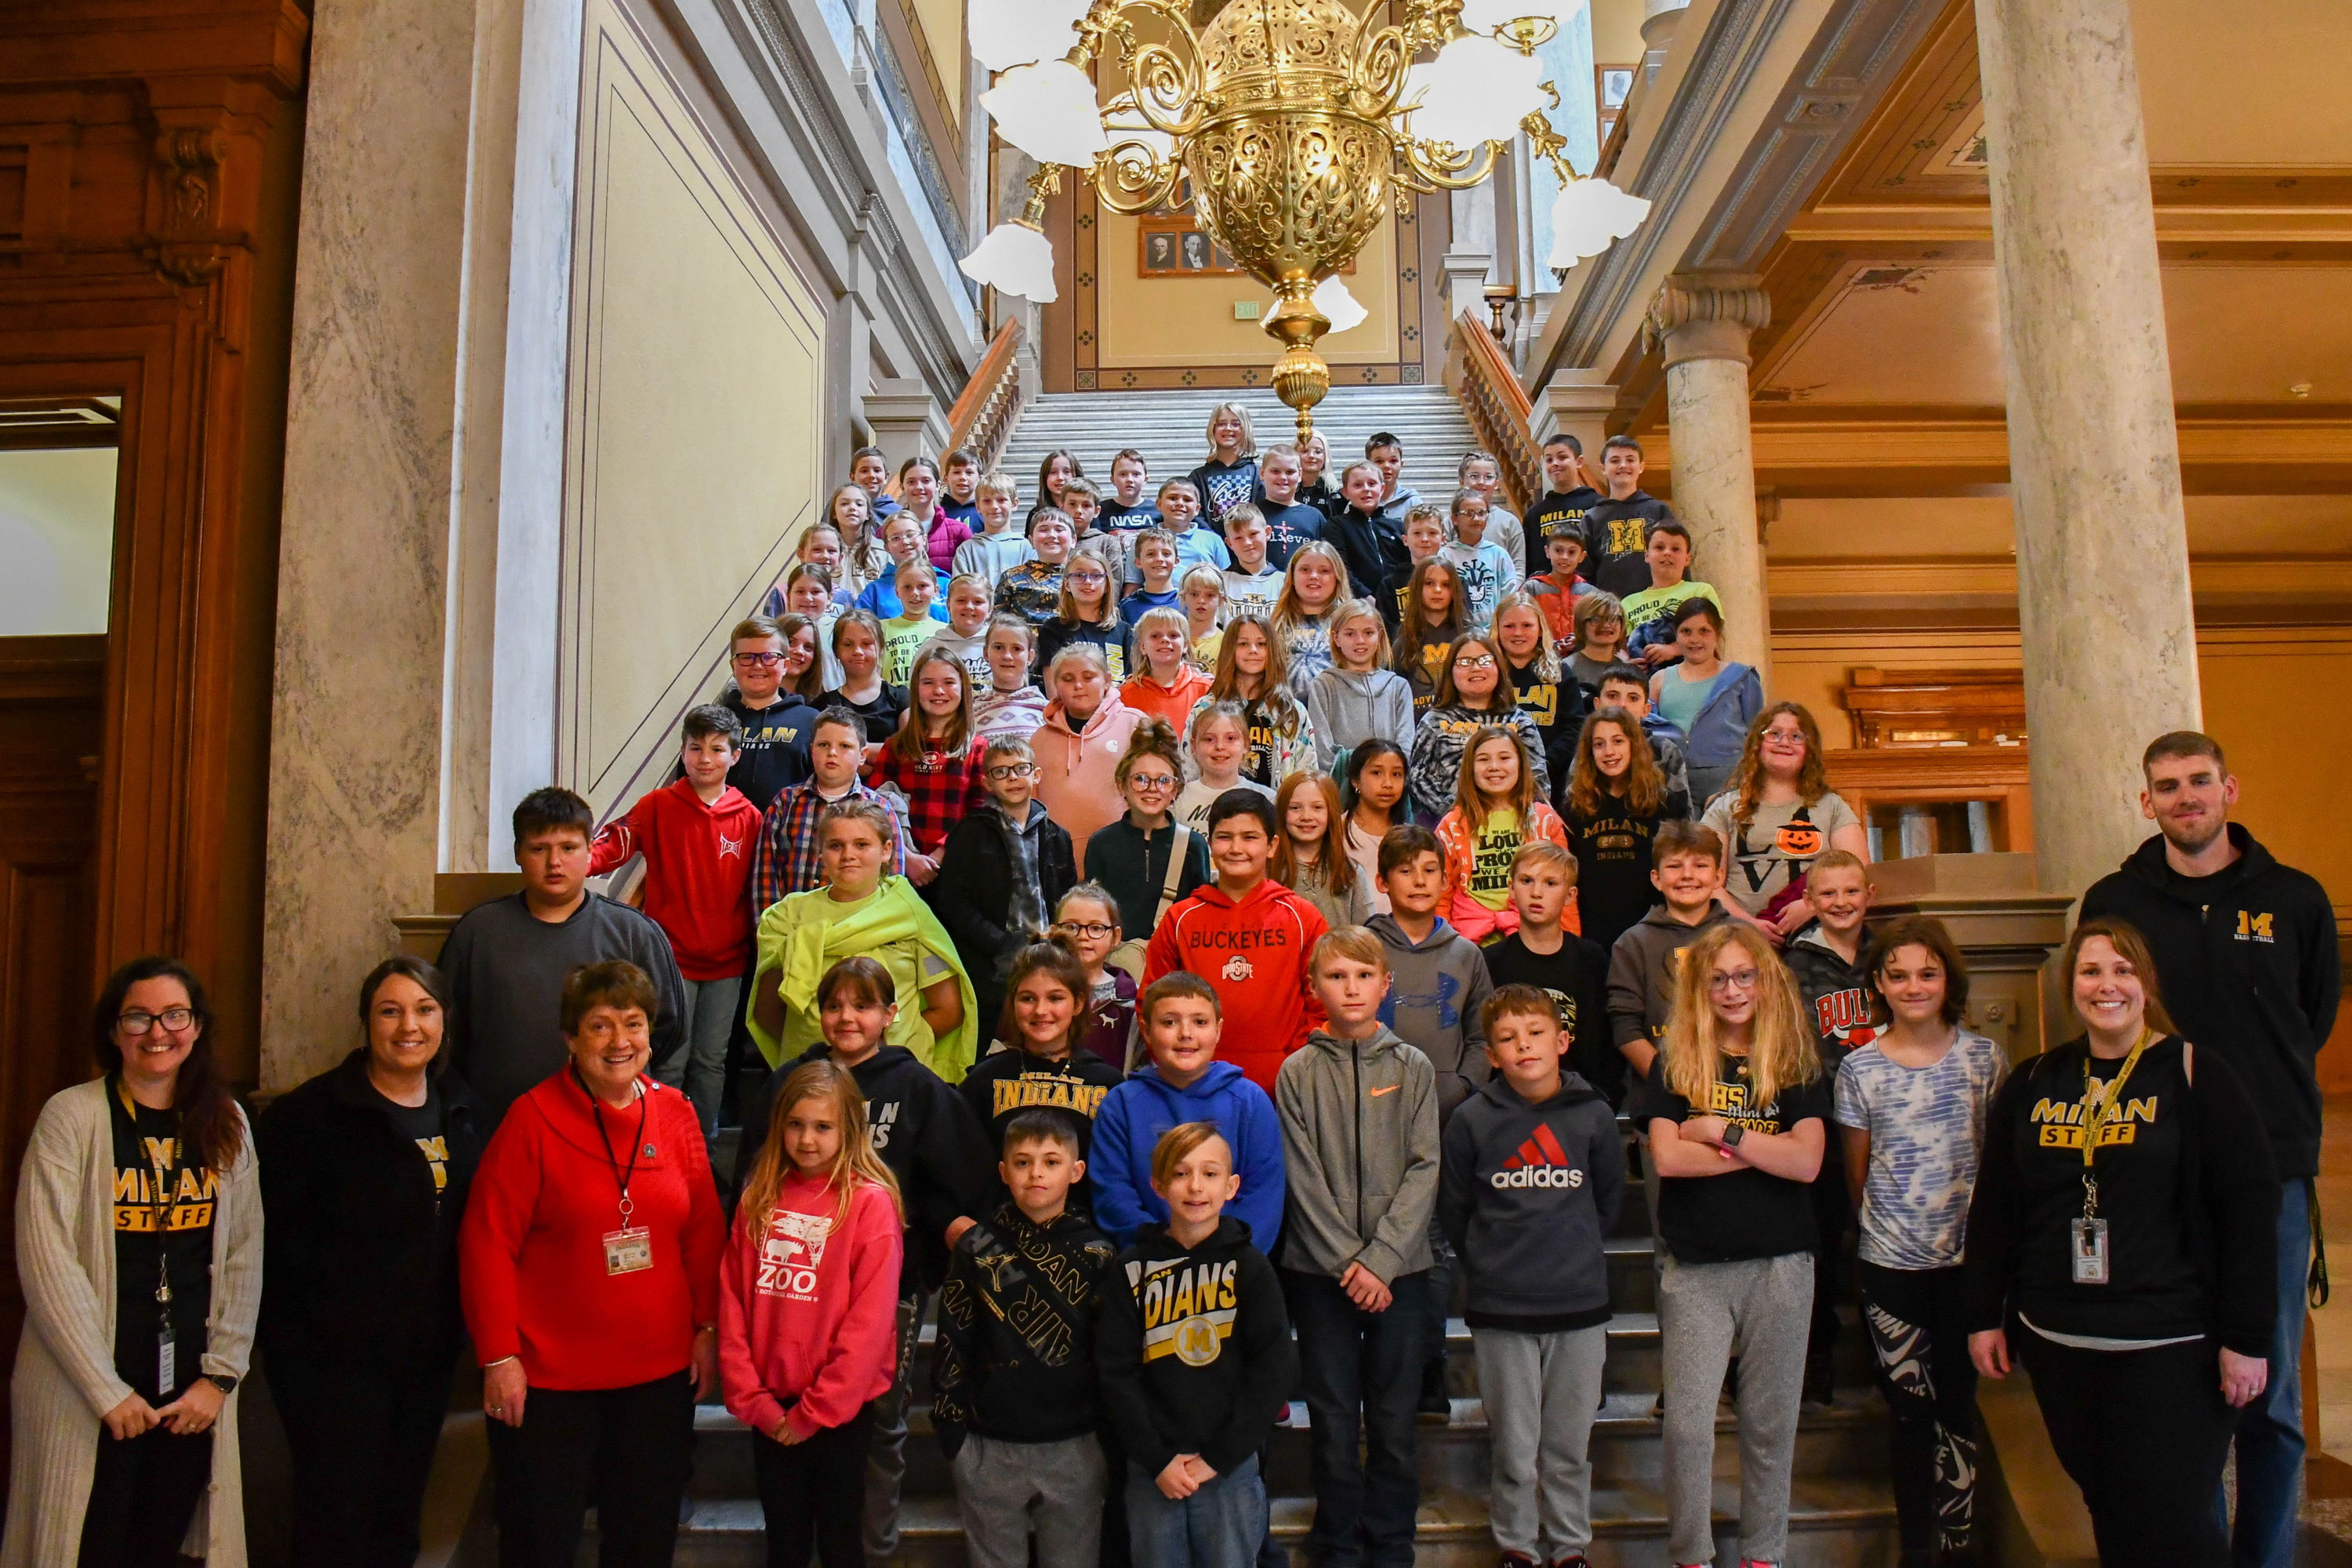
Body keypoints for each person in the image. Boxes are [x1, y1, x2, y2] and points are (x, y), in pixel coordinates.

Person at [2078, 731, 2339, 1568]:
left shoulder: (2296, 896)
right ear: (2144, 800)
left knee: (2269, 1395)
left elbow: (2314, 1015)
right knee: (2175, 1395)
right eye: (2166, 785)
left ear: (2229, 787)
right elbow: (2105, 1012)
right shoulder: (2116, 898)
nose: (2185, 796)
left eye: (2199, 780)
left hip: (2271, 1172)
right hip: (2151, 1171)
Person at [1965, 919, 2280, 1568]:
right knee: (2109, 1508)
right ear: (2068, 985)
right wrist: (1982, 1315)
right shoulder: (2033, 1081)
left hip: (2171, 1346)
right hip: (2061, 1343)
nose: (2106, 985)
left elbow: (2249, 1217)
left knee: (2174, 1522)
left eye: (2122, 971)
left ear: (2146, 983)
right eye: (2090, 972)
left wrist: (2247, 1340)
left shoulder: (2198, 1075)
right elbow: (1995, 1208)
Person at [461, 960, 725, 1568]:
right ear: (570, 1038)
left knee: (644, 1539)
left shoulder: (677, 1112)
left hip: (657, 1379)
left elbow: (704, 1232)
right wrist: (499, 1356)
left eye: (633, 1024)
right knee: (539, 1543)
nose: (619, 1042)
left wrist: (708, 1328)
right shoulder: (531, 1119)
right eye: (600, 1026)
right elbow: (487, 1243)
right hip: (549, 1382)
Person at [738, 956, 995, 1564]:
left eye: (863, 1005)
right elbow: (753, 1175)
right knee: (795, 1409)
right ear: (818, 1014)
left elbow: (958, 1183)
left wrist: (928, 1253)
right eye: (835, 1006)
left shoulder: (919, 1088)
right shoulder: (789, 1084)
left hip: (887, 1289)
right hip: (793, 1286)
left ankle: (869, 1548)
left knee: (878, 1422)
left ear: (890, 1014)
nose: (847, 1017)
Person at [5, 958, 260, 1568]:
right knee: (83, 1548)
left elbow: (244, 1256)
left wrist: (220, 1378)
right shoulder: (71, 1117)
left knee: (159, 1549)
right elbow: (47, 1262)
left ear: (196, 1027)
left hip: (187, 1397)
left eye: (175, 1015)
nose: (157, 1032)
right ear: (114, 1031)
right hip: (87, 1392)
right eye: (139, 1017)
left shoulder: (225, 1121)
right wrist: (106, 1391)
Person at [258, 956, 485, 1568]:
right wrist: (294, 1359)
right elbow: (271, 1254)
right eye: (390, 1011)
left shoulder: (464, 1110)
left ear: (444, 1021)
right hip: (332, 1370)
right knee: (334, 1527)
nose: (408, 1026)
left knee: (397, 1519)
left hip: (427, 1359)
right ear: (366, 1023)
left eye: (424, 1010)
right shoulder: (307, 1119)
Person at [1642, 923, 1831, 1568]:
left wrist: (1721, 1133)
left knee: (1769, 1427)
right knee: (1688, 1427)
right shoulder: (1676, 1059)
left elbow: (1808, 1164)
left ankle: (1763, 1554)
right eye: (1718, 978)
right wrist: (1763, 1152)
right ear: (1700, 986)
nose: (1732, 989)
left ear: (1766, 980)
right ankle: (1691, 1555)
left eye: (1744, 975)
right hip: (1696, 1267)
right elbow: (1668, 1158)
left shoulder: (1796, 1058)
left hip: (1781, 1264)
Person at [1832, 916, 2004, 1568]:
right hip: (1889, 1268)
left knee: (1958, 1406)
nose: (1913, 986)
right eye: (1898, 974)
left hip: (1966, 1271)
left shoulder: (1984, 1060)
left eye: (1927, 973)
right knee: (1909, 1412)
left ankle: (1958, 1543)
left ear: (1948, 979)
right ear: (1878, 982)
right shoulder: (1859, 1069)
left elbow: (1997, 1171)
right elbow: (1858, 1173)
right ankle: (1915, 1549)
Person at [1439, 983, 1625, 1568]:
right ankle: (1517, 1545)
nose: (1524, 1047)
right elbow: (1455, 1207)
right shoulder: (1472, 1120)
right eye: (1508, 1039)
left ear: (1562, 1040)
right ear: (1491, 1054)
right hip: (1502, 1310)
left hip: (1577, 1305)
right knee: (1516, 1448)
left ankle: (1570, 1546)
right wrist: (1490, 1264)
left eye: (1536, 1033)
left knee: (1568, 1445)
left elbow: (1608, 1201)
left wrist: (1571, 1251)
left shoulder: (1592, 1114)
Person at [1276, 927, 1441, 1568]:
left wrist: (1382, 1260)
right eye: (1336, 977)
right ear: (1315, 987)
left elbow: (1425, 1169)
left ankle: (1391, 1543)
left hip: (1402, 1273)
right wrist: (1350, 1262)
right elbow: (1301, 1173)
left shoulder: (1413, 1067)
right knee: (1335, 1420)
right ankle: (1338, 1542)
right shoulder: (1298, 1071)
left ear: (1384, 984)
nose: (1351, 988)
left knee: (1395, 1422)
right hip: (1320, 1275)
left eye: (1363, 976)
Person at [720, 1058, 904, 1568]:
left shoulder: (870, 1204)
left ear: (848, 1128)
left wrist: (815, 1412)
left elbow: (869, 1327)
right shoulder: (759, 1194)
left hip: (837, 1414)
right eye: (796, 1125)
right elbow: (733, 1300)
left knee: (841, 1538)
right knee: (784, 1539)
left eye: (823, 1127)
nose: (807, 1139)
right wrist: (752, 1400)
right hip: (769, 1406)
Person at [1097, 1123, 1298, 1568]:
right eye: (1181, 1173)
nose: (1195, 1186)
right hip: (1154, 1469)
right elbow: (1116, 1373)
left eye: (1209, 1174)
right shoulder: (1131, 1269)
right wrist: (1156, 1457)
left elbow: (1273, 1368)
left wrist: (1218, 1458)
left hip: (1228, 1468)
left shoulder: (1251, 1267)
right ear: (1157, 1184)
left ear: (1231, 1187)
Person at [934, 1109, 1120, 1568]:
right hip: (988, 1444)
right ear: (1003, 1172)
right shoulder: (977, 1247)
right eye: (1022, 1162)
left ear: (1077, 1172)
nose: (1036, 1172)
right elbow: (953, 1335)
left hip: (1075, 1445)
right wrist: (952, 1432)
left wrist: (1105, 1437)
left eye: (1051, 1161)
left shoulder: (1098, 1253)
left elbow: (1111, 1354)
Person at [441, 786, 688, 1126]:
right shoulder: (478, 932)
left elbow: (667, 1028)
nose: (553, 862)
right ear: (518, 852)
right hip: (498, 1124)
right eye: (539, 849)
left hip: (607, 1124)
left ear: (590, 851)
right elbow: (447, 1031)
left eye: (568, 848)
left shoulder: (634, 933)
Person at [589, 703, 764, 1143]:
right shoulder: (657, 806)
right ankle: (659, 1142)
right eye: (696, 748)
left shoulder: (751, 818)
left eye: (717, 749)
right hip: (670, 960)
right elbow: (612, 845)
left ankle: (701, 1148)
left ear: (734, 756)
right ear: (683, 753)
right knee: (668, 1057)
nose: (706, 758)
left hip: (728, 961)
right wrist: (575, 862)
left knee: (711, 1060)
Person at [748, 797, 975, 1078]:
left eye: (862, 844)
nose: (848, 855)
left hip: (893, 1074)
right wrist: (815, 1045)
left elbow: (948, 1009)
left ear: (886, 850)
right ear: (820, 853)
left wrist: (895, 1048)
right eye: (835, 845)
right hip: (812, 1074)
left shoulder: (911, 914)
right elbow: (767, 1011)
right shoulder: (786, 918)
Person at [1142, 789, 1330, 1091]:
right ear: (1210, 844)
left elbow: (1323, 1001)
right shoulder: (1180, 920)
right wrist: (1180, 1064)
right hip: (1193, 1083)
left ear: (1272, 846)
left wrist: (1294, 1066)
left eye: (1250, 837)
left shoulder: (1302, 917)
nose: (1236, 848)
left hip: (1285, 1085)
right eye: (1225, 837)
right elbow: (1151, 1003)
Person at [1091, 974, 1287, 1247]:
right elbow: (1113, 1195)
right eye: (1169, 1022)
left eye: (1200, 1022)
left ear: (1218, 1030)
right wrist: (1160, 1255)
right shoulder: (1120, 1105)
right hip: (1149, 1266)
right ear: (1146, 1031)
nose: (1186, 1034)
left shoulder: (1250, 1101)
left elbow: (1264, 1196)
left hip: (1232, 1267)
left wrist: (1227, 1255)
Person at [1780, 847, 1876, 1400]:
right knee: (1816, 1247)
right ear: (1810, 901)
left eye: (1850, 891)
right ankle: (1814, 1360)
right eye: (1829, 893)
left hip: (1884, 1128)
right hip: (1821, 1124)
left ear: (1869, 896)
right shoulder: (1795, 966)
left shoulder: (1888, 957)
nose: (1841, 902)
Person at [935, 736, 1080, 1036]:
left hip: (1048, 955)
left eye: (1020, 769)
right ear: (988, 782)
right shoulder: (970, 833)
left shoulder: (1057, 836)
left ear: (1036, 775)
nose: (1012, 777)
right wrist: (1000, 943)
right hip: (989, 964)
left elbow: (1067, 899)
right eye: (1001, 772)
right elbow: (952, 902)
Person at [1700, 700, 1866, 935]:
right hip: (1738, 936)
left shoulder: (1832, 807)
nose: (1784, 742)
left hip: (1816, 934)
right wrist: (1747, 924)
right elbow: (1707, 881)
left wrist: (1812, 906)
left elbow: (1857, 875)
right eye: (1774, 734)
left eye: (1797, 736)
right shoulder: (1725, 807)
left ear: (1810, 749)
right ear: (1757, 743)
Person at [1605, 819, 1732, 1092]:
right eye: (1675, 866)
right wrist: (1670, 1087)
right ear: (1656, 879)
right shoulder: (1632, 943)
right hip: (1661, 1094)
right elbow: (1626, 1028)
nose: (1687, 875)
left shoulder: (1743, 938)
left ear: (1719, 877)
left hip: (1738, 1092)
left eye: (1700, 866)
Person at [1482, 840, 1614, 1100]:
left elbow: (1605, 1041)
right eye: (1527, 881)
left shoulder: (1591, 959)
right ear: (1511, 888)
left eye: (1550, 883)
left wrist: (1601, 1097)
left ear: (1570, 896)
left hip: (1581, 1100)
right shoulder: (1490, 961)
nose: (1536, 893)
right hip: (1509, 1103)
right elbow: (1483, 1039)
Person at [750, 707, 913, 909]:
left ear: (862, 755)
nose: (833, 753)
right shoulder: (785, 803)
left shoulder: (880, 809)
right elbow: (765, 876)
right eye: (823, 745)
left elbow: (893, 882)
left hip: (858, 930)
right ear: (812, 750)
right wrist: (770, 931)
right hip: (793, 929)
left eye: (845, 746)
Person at [1087, 720, 1211, 967]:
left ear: (1176, 788)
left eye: (1164, 781)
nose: (1152, 789)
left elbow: (1200, 918)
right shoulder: (1101, 843)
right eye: (1140, 779)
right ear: (1123, 785)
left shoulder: (1193, 845)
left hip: (1175, 966)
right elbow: (1093, 916)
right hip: (1115, 969)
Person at [1434, 723, 1570, 945]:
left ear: (1521, 765)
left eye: (1504, 758)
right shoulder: (1451, 825)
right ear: (1470, 768)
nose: (1494, 766)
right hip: (1469, 945)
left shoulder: (1545, 820)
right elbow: (1441, 895)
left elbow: (1564, 892)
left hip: (1534, 941)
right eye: (1483, 759)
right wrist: (1442, 948)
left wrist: (1568, 947)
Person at [1562, 706, 1683, 953]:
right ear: (1589, 752)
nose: (1609, 752)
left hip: (1651, 929)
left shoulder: (1665, 803)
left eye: (1618, 741)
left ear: (1633, 745)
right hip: (1592, 932)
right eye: (1599, 744)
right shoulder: (1574, 807)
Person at [1407, 633, 1551, 825]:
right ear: (1451, 671)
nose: (1475, 668)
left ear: (1498, 667)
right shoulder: (1433, 722)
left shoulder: (1520, 721)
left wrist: (1508, 815)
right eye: (1464, 662)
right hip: (1450, 824)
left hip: (1514, 824)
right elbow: (1418, 777)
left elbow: (1539, 780)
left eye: (1485, 660)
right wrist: (1457, 814)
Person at [1033, 642, 1149, 874]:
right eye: (1067, 679)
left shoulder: (1135, 725)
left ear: (1107, 680)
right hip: (1062, 864)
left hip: (1127, 857)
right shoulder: (1039, 740)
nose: (1078, 686)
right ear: (1055, 685)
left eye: (1088, 677)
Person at [865, 649, 982, 874]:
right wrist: (907, 858)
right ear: (916, 689)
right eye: (928, 683)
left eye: (949, 682)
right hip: (902, 868)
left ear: (964, 689)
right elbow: (874, 808)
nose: (939, 691)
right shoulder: (895, 747)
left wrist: (940, 853)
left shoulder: (978, 749)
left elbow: (979, 814)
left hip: (959, 867)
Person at [1655, 599, 1762, 811]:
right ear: (1676, 635)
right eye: (1686, 631)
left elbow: (1758, 736)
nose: (1695, 639)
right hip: (1673, 781)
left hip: (1729, 780)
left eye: (1704, 631)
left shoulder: (1741, 677)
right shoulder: (1659, 680)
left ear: (1717, 634)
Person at [1189, 613, 1313, 791]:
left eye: (1262, 644)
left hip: (1275, 811)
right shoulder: (1205, 708)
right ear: (1230, 649)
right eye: (1243, 644)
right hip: (1215, 811)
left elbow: (1307, 772)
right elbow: (1187, 769)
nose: (1253, 650)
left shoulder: (1291, 711)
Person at [722, 615, 822, 811]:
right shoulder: (714, 722)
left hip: (788, 836)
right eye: (746, 657)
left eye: (769, 657)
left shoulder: (813, 721)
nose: (758, 666)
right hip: (723, 836)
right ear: (733, 666)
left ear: (785, 665)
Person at [1307, 597, 1414, 771]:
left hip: (1388, 785)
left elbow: (1405, 746)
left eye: (1368, 633)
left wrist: (1385, 773)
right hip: (1341, 787)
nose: (1360, 641)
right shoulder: (1324, 685)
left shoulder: (1398, 687)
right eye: (1350, 634)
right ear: (1336, 638)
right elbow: (1323, 750)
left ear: (1379, 635)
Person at [1493, 590, 1583, 787]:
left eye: (1527, 625)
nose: (1518, 633)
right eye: (1509, 626)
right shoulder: (1488, 674)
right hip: (1495, 776)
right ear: (1497, 629)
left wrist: (1544, 765)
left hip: (1552, 779)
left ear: (1540, 628)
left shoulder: (1561, 673)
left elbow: (1575, 728)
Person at [1588, 663, 1695, 818]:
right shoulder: (1589, 748)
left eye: (1633, 698)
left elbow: (1683, 816)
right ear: (1597, 704)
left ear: (1646, 710)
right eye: (1612, 696)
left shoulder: (1665, 750)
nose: (1622, 705)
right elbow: (1574, 805)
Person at [1056, 885, 1142, 1066]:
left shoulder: (1133, 1001)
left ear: (1116, 937)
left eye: (1096, 928)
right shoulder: (1037, 993)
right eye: (1071, 927)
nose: (1082, 936)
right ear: (1055, 932)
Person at [1275, 772, 1372, 931]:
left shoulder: (1351, 872)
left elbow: (1365, 936)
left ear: (1331, 812)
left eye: (1317, 807)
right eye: (1295, 808)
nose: (1306, 816)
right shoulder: (1266, 869)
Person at [1579, 435, 1673, 597]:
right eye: (1615, 461)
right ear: (1603, 468)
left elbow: (1676, 561)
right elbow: (1584, 573)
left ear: (1641, 466)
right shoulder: (1592, 518)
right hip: (1610, 611)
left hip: (1657, 605)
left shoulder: (1658, 511)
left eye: (1630, 460)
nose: (1623, 465)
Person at [1621, 520, 1719, 667]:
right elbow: (1620, 646)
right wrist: (1628, 663)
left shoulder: (1701, 591)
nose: (1667, 553)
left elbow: (1713, 635)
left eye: (1676, 549)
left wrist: (1673, 649)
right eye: (1660, 547)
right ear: (1647, 555)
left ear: (1687, 559)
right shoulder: (1628, 603)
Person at [1324, 459, 1410, 615]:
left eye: (1372, 484)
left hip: (1397, 603)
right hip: (1358, 605)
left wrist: (1395, 596)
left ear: (1382, 489)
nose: (1366, 489)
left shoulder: (1397, 526)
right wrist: (1367, 597)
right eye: (1358, 485)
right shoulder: (1337, 525)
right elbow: (1341, 568)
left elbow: (1406, 567)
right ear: (1345, 492)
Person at [1171, 702, 1268, 832]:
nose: (1220, 746)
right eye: (1209, 739)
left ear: (1246, 744)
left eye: (1230, 738)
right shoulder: (1178, 798)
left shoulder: (1266, 798)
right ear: (1194, 746)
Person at [820, 608, 910, 746]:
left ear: (880, 648)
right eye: (848, 644)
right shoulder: (822, 705)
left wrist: (849, 747)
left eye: (867, 644)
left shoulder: (902, 698)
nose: (858, 651)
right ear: (836, 650)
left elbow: (907, 751)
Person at [1043, 547, 1134, 684]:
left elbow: (1131, 685)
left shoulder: (1123, 631)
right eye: (1079, 575)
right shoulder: (1052, 630)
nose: (1088, 581)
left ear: (1107, 585)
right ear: (1067, 584)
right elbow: (1054, 691)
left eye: (1096, 575)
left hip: (1116, 703)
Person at [1270, 539, 1349, 696]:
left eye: (1324, 571)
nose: (1314, 576)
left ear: (1338, 577)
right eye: (1305, 570)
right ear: (1292, 576)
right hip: (1287, 714)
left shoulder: (1351, 622)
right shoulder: (1275, 623)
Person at [1523, 433, 1602, 584]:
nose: (1555, 463)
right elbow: (1529, 562)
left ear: (1579, 462)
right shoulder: (1535, 514)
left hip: (1588, 593)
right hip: (1546, 595)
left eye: (1562, 457)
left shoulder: (1597, 505)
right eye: (1549, 459)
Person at [1341, 739, 1408, 909]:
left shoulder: (1409, 838)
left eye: (1396, 774)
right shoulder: (1336, 832)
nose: (1388, 783)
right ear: (1355, 780)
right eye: (1377, 773)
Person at [1439, 487, 1519, 630]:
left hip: (1494, 631)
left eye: (1481, 513)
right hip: (1456, 630)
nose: (1476, 518)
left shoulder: (1498, 555)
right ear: (1455, 519)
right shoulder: (1446, 555)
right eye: (1469, 513)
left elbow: (1509, 596)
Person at [1394, 557, 1467, 713]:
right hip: (1418, 727)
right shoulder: (1404, 638)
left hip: (1463, 725)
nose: (1438, 590)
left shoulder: (1468, 635)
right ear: (1416, 588)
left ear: (1455, 590)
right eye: (1429, 583)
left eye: (1446, 585)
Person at [1123, 605, 1213, 727]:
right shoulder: (1126, 694)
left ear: (1186, 645)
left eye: (1173, 635)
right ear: (1143, 646)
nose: (1165, 640)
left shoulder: (1205, 689)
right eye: (1155, 636)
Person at [972, 614, 1051, 745]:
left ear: (1030, 657)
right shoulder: (971, 712)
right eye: (998, 647)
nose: (1007, 656)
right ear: (986, 653)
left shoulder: (1046, 712)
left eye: (1017, 649)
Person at [996, 509, 1077, 629]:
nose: (1051, 535)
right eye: (1043, 530)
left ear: (1074, 540)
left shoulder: (1082, 577)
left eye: (1059, 530)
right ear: (1031, 540)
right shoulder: (1011, 577)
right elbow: (997, 622)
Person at [1189, 402, 1261, 534]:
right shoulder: (1198, 477)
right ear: (1213, 429)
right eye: (1222, 424)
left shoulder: (1258, 474)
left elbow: (1264, 513)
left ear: (1246, 428)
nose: (1228, 428)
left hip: (1249, 545)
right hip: (1213, 549)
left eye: (1236, 424)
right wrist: (1215, 541)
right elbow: (1194, 515)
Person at [851, 513, 938, 621]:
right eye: (896, 538)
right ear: (887, 547)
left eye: (910, 535)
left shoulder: (945, 583)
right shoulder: (874, 592)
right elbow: (861, 629)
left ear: (924, 539)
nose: (905, 542)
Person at [877, 557, 950, 684]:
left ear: (936, 590)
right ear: (897, 592)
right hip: (894, 702)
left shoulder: (946, 632)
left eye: (922, 586)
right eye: (907, 587)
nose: (915, 593)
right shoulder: (880, 628)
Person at [1455, 449, 1527, 574]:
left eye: (1488, 477)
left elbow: (1518, 568)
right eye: (1474, 476)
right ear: (1462, 482)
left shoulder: (1509, 522)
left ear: (1496, 484)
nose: (1481, 482)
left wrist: (1511, 593)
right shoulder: (1453, 521)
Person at [954, 474, 1033, 584]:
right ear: (978, 507)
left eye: (1001, 500)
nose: (994, 506)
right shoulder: (967, 550)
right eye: (987, 501)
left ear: (1014, 504)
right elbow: (961, 590)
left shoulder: (1027, 548)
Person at [1254, 444, 1326, 565]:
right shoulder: (1252, 515)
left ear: (1300, 475)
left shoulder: (1314, 517)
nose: (1283, 477)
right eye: (1275, 471)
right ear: (1262, 473)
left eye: (1290, 472)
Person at [1156, 480, 1234, 576]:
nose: (1180, 503)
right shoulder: (1145, 540)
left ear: (1197, 509)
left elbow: (1226, 580)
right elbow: (1135, 583)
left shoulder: (1213, 540)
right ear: (1159, 504)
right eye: (1172, 498)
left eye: (1187, 500)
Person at [1220, 504, 1285, 619]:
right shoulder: (1220, 582)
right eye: (1238, 538)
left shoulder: (1285, 583)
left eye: (1253, 534)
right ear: (1229, 543)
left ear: (1268, 533)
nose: (1247, 543)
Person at [1566, 591, 1627, 699]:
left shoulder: (1626, 670)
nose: (1607, 625)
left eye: (1613, 618)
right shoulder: (1566, 669)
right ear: (1581, 624)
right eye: (1596, 619)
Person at [1365, 431, 1420, 525]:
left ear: (1401, 465)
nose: (1386, 466)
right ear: (1367, 465)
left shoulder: (1413, 503)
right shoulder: (1358, 502)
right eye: (1379, 461)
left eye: (1393, 461)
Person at [1181, 565, 1229, 671]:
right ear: (1184, 597)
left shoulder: (1227, 643)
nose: (1201, 601)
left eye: (1210, 595)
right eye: (1194, 594)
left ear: (1221, 600)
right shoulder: (1173, 640)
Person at [850, 445, 900, 525]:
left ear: (886, 477)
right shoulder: (841, 507)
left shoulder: (898, 514)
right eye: (864, 471)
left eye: (877, 470)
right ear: (852, 477)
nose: (871, 476)